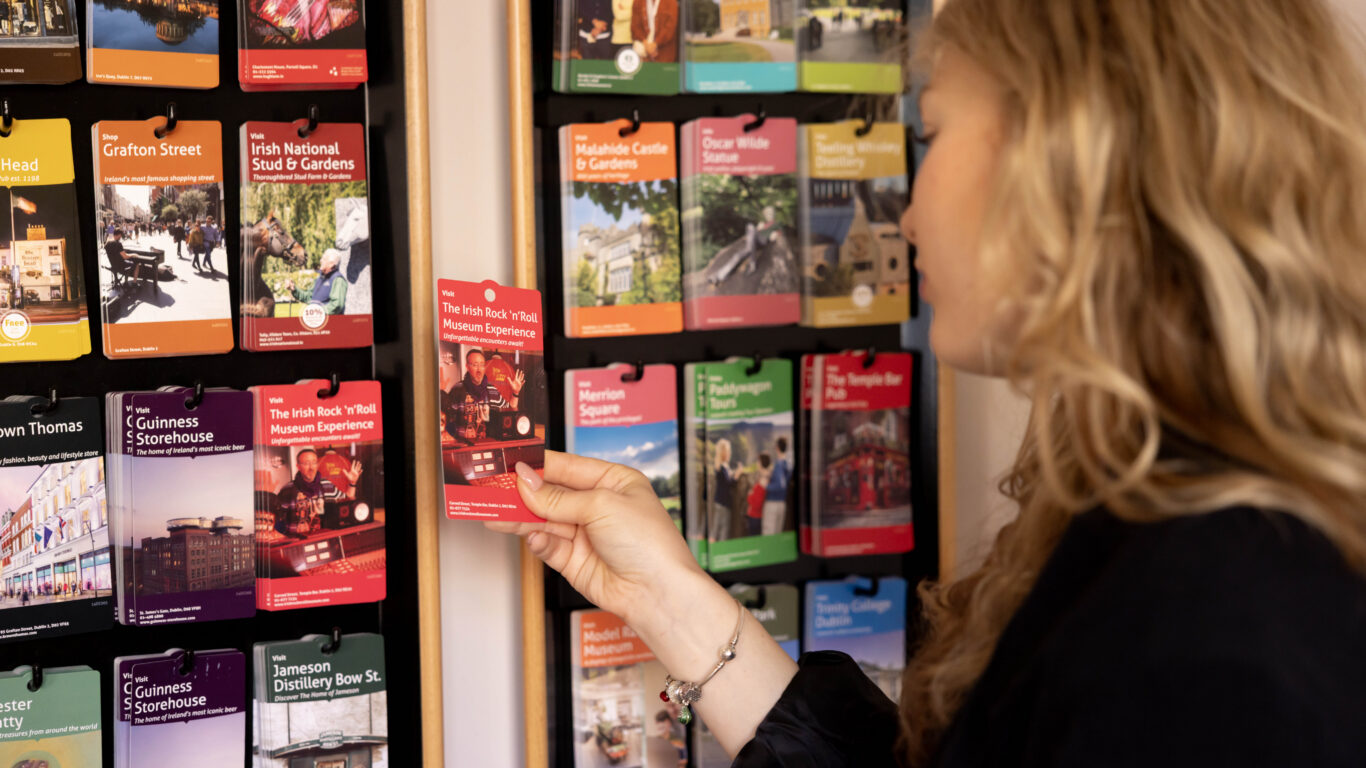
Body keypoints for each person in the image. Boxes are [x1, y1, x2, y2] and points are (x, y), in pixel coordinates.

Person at [489, 0, 1366, 765]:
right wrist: (665, 598)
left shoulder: (1211, 644)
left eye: (936, 131)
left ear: (1074, 158)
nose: (905, 212)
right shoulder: (1160, 534)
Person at [444, 348, 527, 440]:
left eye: (482, 365)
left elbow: (510, 411)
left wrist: (515, 393)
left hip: (486, 445)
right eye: (475, 365)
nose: (479, 370)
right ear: (467, 366)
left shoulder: (491, 390)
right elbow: (446, 422)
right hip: (464, 445)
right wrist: (460, 434)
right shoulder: (457, 389)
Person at [284, 249, 348, 315]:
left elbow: (337, 305)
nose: (321, 261)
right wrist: (294, 289)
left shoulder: (338, 280)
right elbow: (309, 297)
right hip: (316, 322)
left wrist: (318, 312)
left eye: (324, 259)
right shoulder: (320, 278)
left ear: (331, 264)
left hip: (329, 323)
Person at [762, 436, 789, 535]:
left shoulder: (778, 464)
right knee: (777, 536)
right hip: (782, 503)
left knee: (768, 535)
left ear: (777, 448)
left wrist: (766, 486)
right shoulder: (787, 464)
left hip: (772, 504)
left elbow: (781, 485)